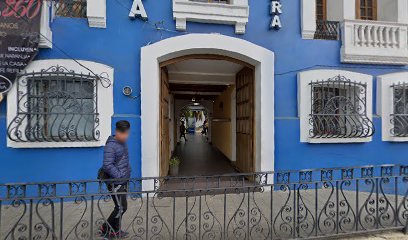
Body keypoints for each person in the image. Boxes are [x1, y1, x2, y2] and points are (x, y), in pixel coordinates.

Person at [100, 120, 131, 238]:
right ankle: (113, 231)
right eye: (123, 133)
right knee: (121, 207)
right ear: (117, 132)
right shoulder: (111, 146)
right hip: (115, 183)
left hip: (122, 181)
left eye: (127, 133)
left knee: (121, 207)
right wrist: (120, 176)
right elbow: (107, 165)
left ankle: (106, 227)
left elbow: (123, 161)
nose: (126, 136)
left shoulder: (122, 143)